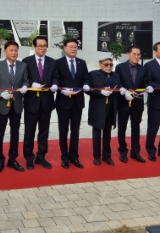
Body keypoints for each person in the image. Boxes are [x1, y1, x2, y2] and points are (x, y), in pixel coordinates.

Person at [0, 40, 29, 173]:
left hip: (16, 105)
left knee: (15, 133)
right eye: (11, 50)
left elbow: (25, 80)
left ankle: (13, 159)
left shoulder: (23, 65)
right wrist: (1, 93)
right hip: (2, 105)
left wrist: (25, 87)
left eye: (16, 50)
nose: (14, 53)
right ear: (5, 51)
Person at [22, 35, 58, 170]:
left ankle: (41, 156)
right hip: (32, 102)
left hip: (47, 102)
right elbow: (23, 78)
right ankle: (29, 157)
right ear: (34, 47)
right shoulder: (26, 61)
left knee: (44, 131)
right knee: (29, 131)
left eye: (45, 46)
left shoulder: (52, 62)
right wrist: (32, 84)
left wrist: (55, 85)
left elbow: (56, 77)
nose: (43, 48)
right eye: (40, 46)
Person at [55, 38, 90, 169]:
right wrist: (60, 88)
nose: (73, 49)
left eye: (75, 46)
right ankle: (64, 157)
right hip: (63, 101)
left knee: (75, 131)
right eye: (70, 46)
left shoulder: (82, 63)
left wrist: (86, 84)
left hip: (77, 102)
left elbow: (86, 77)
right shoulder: (58, 63)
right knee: (63, 130)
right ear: (64, 48)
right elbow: (55, 78)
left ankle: (74, 156)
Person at [114, 45, 147, 163]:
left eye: (138, 55)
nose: (136, 57)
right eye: (134, 54)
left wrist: (147, 87)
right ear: (128, 54)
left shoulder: (143, 69)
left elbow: (145, 83)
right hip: (123, 102)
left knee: (136, 128)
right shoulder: (120, 67)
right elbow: (116, 82)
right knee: (122, 128)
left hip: (137, 103)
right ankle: (123, 151)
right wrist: (123, 90)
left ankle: (135, 152)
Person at [88, 55, 119, 166]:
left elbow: (119, 87)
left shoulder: (116, 75)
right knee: (97, 133)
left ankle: (107, 156)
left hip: (111, 107)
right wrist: (100, 92)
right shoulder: (93, 74)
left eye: (111, 65)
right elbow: (88, 90)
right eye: (106, 64)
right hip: (98, 107)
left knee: (107, 133)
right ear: (100, 64)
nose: (109, 67)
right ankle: (96, 157)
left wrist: (122, 90)